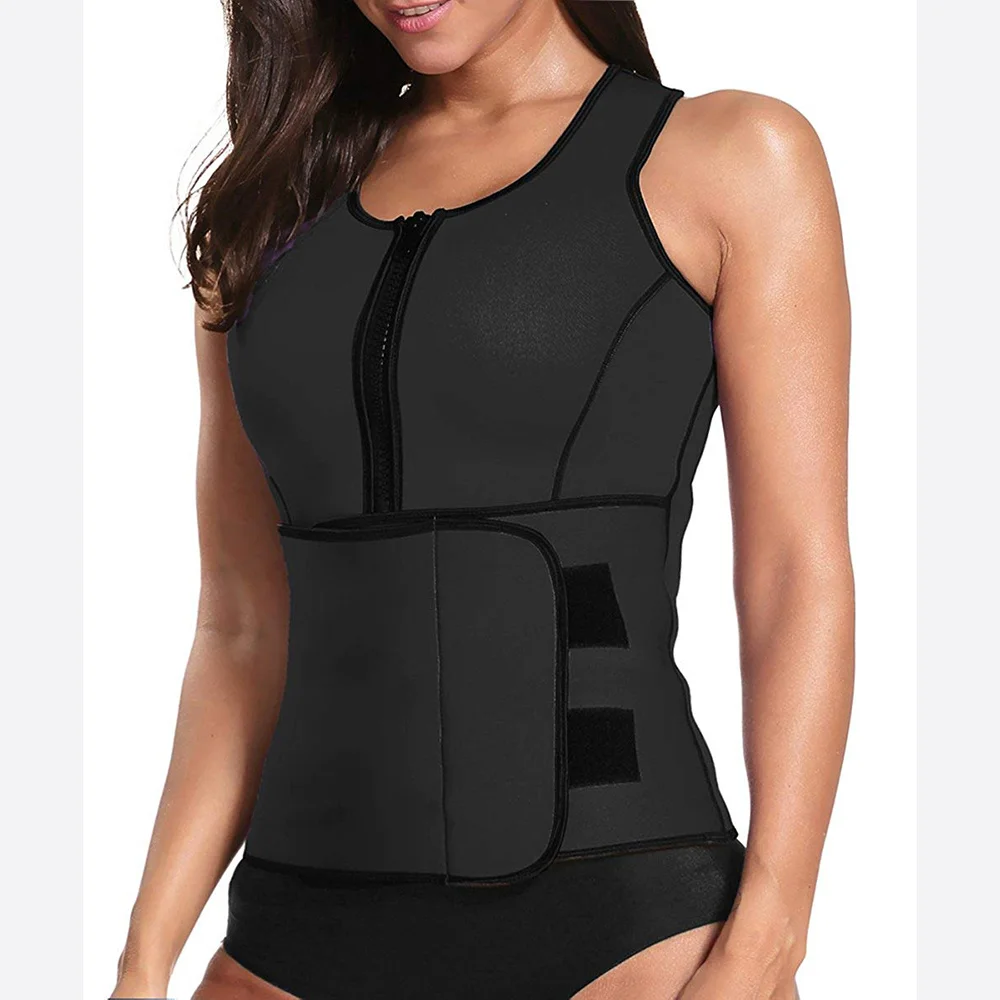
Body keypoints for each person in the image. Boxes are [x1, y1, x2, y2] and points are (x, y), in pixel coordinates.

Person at [110, 2, 854, 998]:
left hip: (623, 928)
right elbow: (243, 623)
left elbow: (795, 574)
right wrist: (143, 962)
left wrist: (764, 946)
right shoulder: (269, 210)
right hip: (294, 929)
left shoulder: (726, 156)